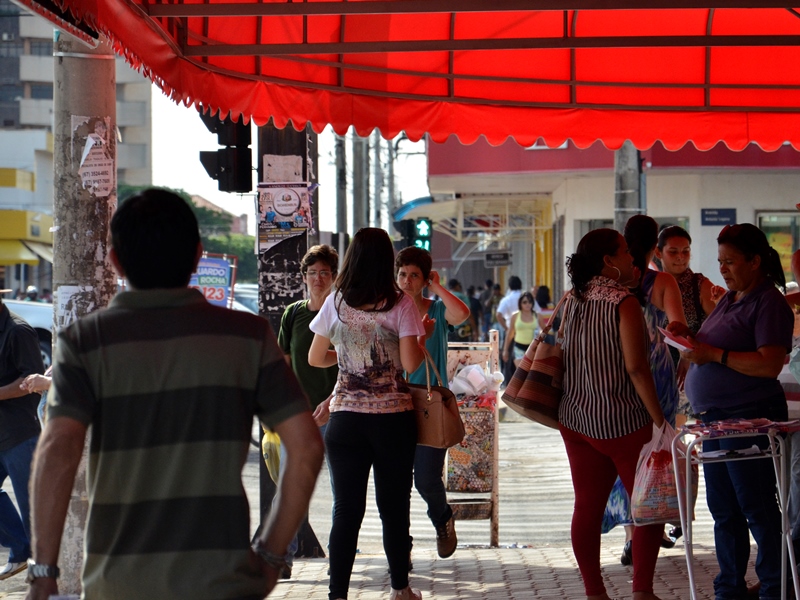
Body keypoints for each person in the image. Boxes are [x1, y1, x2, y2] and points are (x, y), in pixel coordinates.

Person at [25, 189, 324, 600]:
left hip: (118, 586)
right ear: (199, 254)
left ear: (114, 261)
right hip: (223, 583)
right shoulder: (247, 339)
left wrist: (44, 573)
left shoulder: (86, 342)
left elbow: (57, 449)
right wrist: (272, 555)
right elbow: (306, 447)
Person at [308, 228, 428, 600]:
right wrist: (420, 339)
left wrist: (347, 361)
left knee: (346, 510)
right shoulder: (402, 304)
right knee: (393, 509)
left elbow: (315, 358)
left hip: (344, 420)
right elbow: (410, 364)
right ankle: (400, 589)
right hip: (392, 419)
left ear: (352, 258)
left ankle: (338, 595)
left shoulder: (337, 302)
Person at [681, 223, 793, 600]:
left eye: (730, 261)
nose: (724, 269)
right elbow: (714, 346)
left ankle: (777, 587)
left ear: (755, 261)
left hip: (749, 416)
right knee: (724, 509)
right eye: (720, 262)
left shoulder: (769, 302)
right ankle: (729, 587)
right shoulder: (730, 299)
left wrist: (712, 355)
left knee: (756, 505)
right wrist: (688, 341)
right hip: (716, 421)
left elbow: (769, 363)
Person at [557, 228, 666, 600]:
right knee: (648, 505)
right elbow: (637, 368)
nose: (632, 260)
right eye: (624, 253)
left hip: (575, 419)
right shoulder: (625, 302)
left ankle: (594, 592)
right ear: (608, 261)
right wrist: (659, 421)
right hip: (622, 421)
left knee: (586, 504)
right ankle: (642, 591)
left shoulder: (572, 298)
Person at [608, 214, 688, 563]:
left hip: (616, 373)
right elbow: (679, 327)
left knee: (623, 452)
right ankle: (648, 527)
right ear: (656, 247)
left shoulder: (611, 282)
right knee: (654, 452)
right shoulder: (664, 281)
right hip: (657, 372)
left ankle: (630, 535)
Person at [395, 246, 470, 561]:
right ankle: (402, 550)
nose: (407, 281)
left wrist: (437, 286)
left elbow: (462, 314)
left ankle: (442, 519)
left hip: (430, 403)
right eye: (402, 274)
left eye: (414, 275)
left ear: (424, 279)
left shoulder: (435, 310)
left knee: (425, 477)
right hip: (393, 402)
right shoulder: (387, 310)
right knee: (396, 486)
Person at [274, 243, 340, 576]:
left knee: (341, 491)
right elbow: (283, 363)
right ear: (303, 277)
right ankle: (281, 558)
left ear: (334, 276)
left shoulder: (342, 313)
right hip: (299, 419)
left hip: (339, 413)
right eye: (312, 273)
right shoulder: (293, 314)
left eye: (324, 272)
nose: (317, 278)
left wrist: (331, 403)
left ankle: (340, 559)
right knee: (289, 488)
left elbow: (351, 365)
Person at [654, 225, 724, 425]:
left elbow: (721, 325)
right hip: (657, 367)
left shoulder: (699, 285)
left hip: (693, 370)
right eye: (673, 252)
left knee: (688, 433)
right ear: (658, 252)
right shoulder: (652, 284)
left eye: (686, 251)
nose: (680, 257)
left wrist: (690, 351)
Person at [0, 290, 43, 581]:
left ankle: (41, 570)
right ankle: (19, 549)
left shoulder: (18, 330)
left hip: (20, 433)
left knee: (32, 506)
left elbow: (34, 382)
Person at [501, 291, 538, 368]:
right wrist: (505, 350)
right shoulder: (515, 316)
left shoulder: (537, 315)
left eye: (530, 302)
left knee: (531, 373)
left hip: (533, 348)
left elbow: (544, 330)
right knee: (521, 372)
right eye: (524, 302)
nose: (527, 304)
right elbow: (510, 333)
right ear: (520, 303)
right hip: (519, 348)